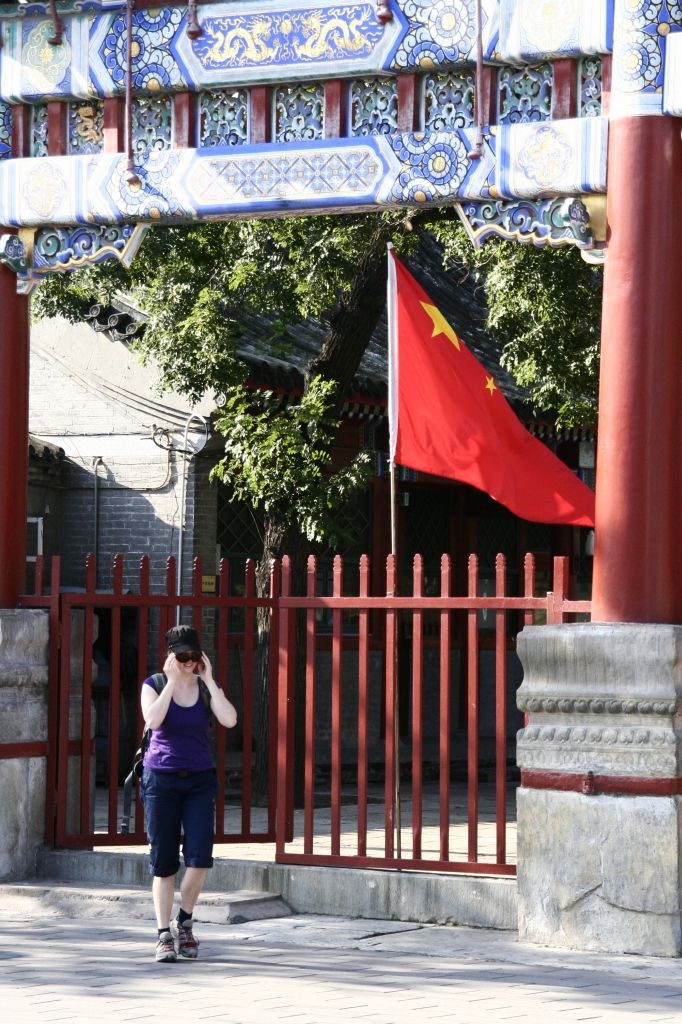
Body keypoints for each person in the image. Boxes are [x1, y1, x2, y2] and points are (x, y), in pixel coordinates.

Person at [140, 624, 237, 963]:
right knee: (164, 862)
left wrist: (209, 680)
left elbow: (229, 720)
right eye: (182, 657)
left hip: (199, 780)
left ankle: (185, 921)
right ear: (170, 656)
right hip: (161, 780)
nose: (188, 663)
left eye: (194, 657)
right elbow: (152, 721)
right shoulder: (153, 685)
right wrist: (170, 683)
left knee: (199, 858)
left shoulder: (207, 687)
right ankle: (163, 934)